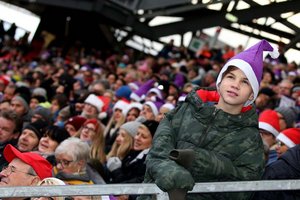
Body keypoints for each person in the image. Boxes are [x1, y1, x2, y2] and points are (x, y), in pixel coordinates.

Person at [138, 40, 279, 200]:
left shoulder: (251, 140)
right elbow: (158, 151)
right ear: (220, 82)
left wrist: (200, 160)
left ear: (252, 94)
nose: (235, 85)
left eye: (245, 82)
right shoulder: (186, 109)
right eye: (231, 77)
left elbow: (243, 190)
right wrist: (169, 171)